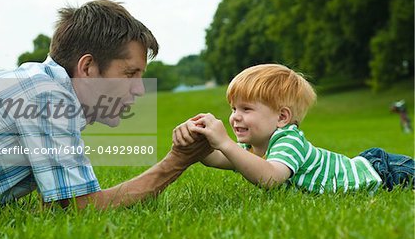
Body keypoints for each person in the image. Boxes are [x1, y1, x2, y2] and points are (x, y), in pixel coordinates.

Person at [0, 0, 212, 217]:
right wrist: (177, 161)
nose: (139, 89)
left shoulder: (42, 85)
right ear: (88, 68)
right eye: (129, 74)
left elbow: (57, 206)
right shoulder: (47, 97)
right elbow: (81, 207)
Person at [173, 64, 414, 193]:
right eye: (233, 108)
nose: (235, 117)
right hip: (373, 165)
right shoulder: (252, 146)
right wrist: (198, 142)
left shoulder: (289, 139)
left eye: (246, 109)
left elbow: (270, 178)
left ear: (282, 117)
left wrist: (224, 142)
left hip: (386, 173)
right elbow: (219, 160)